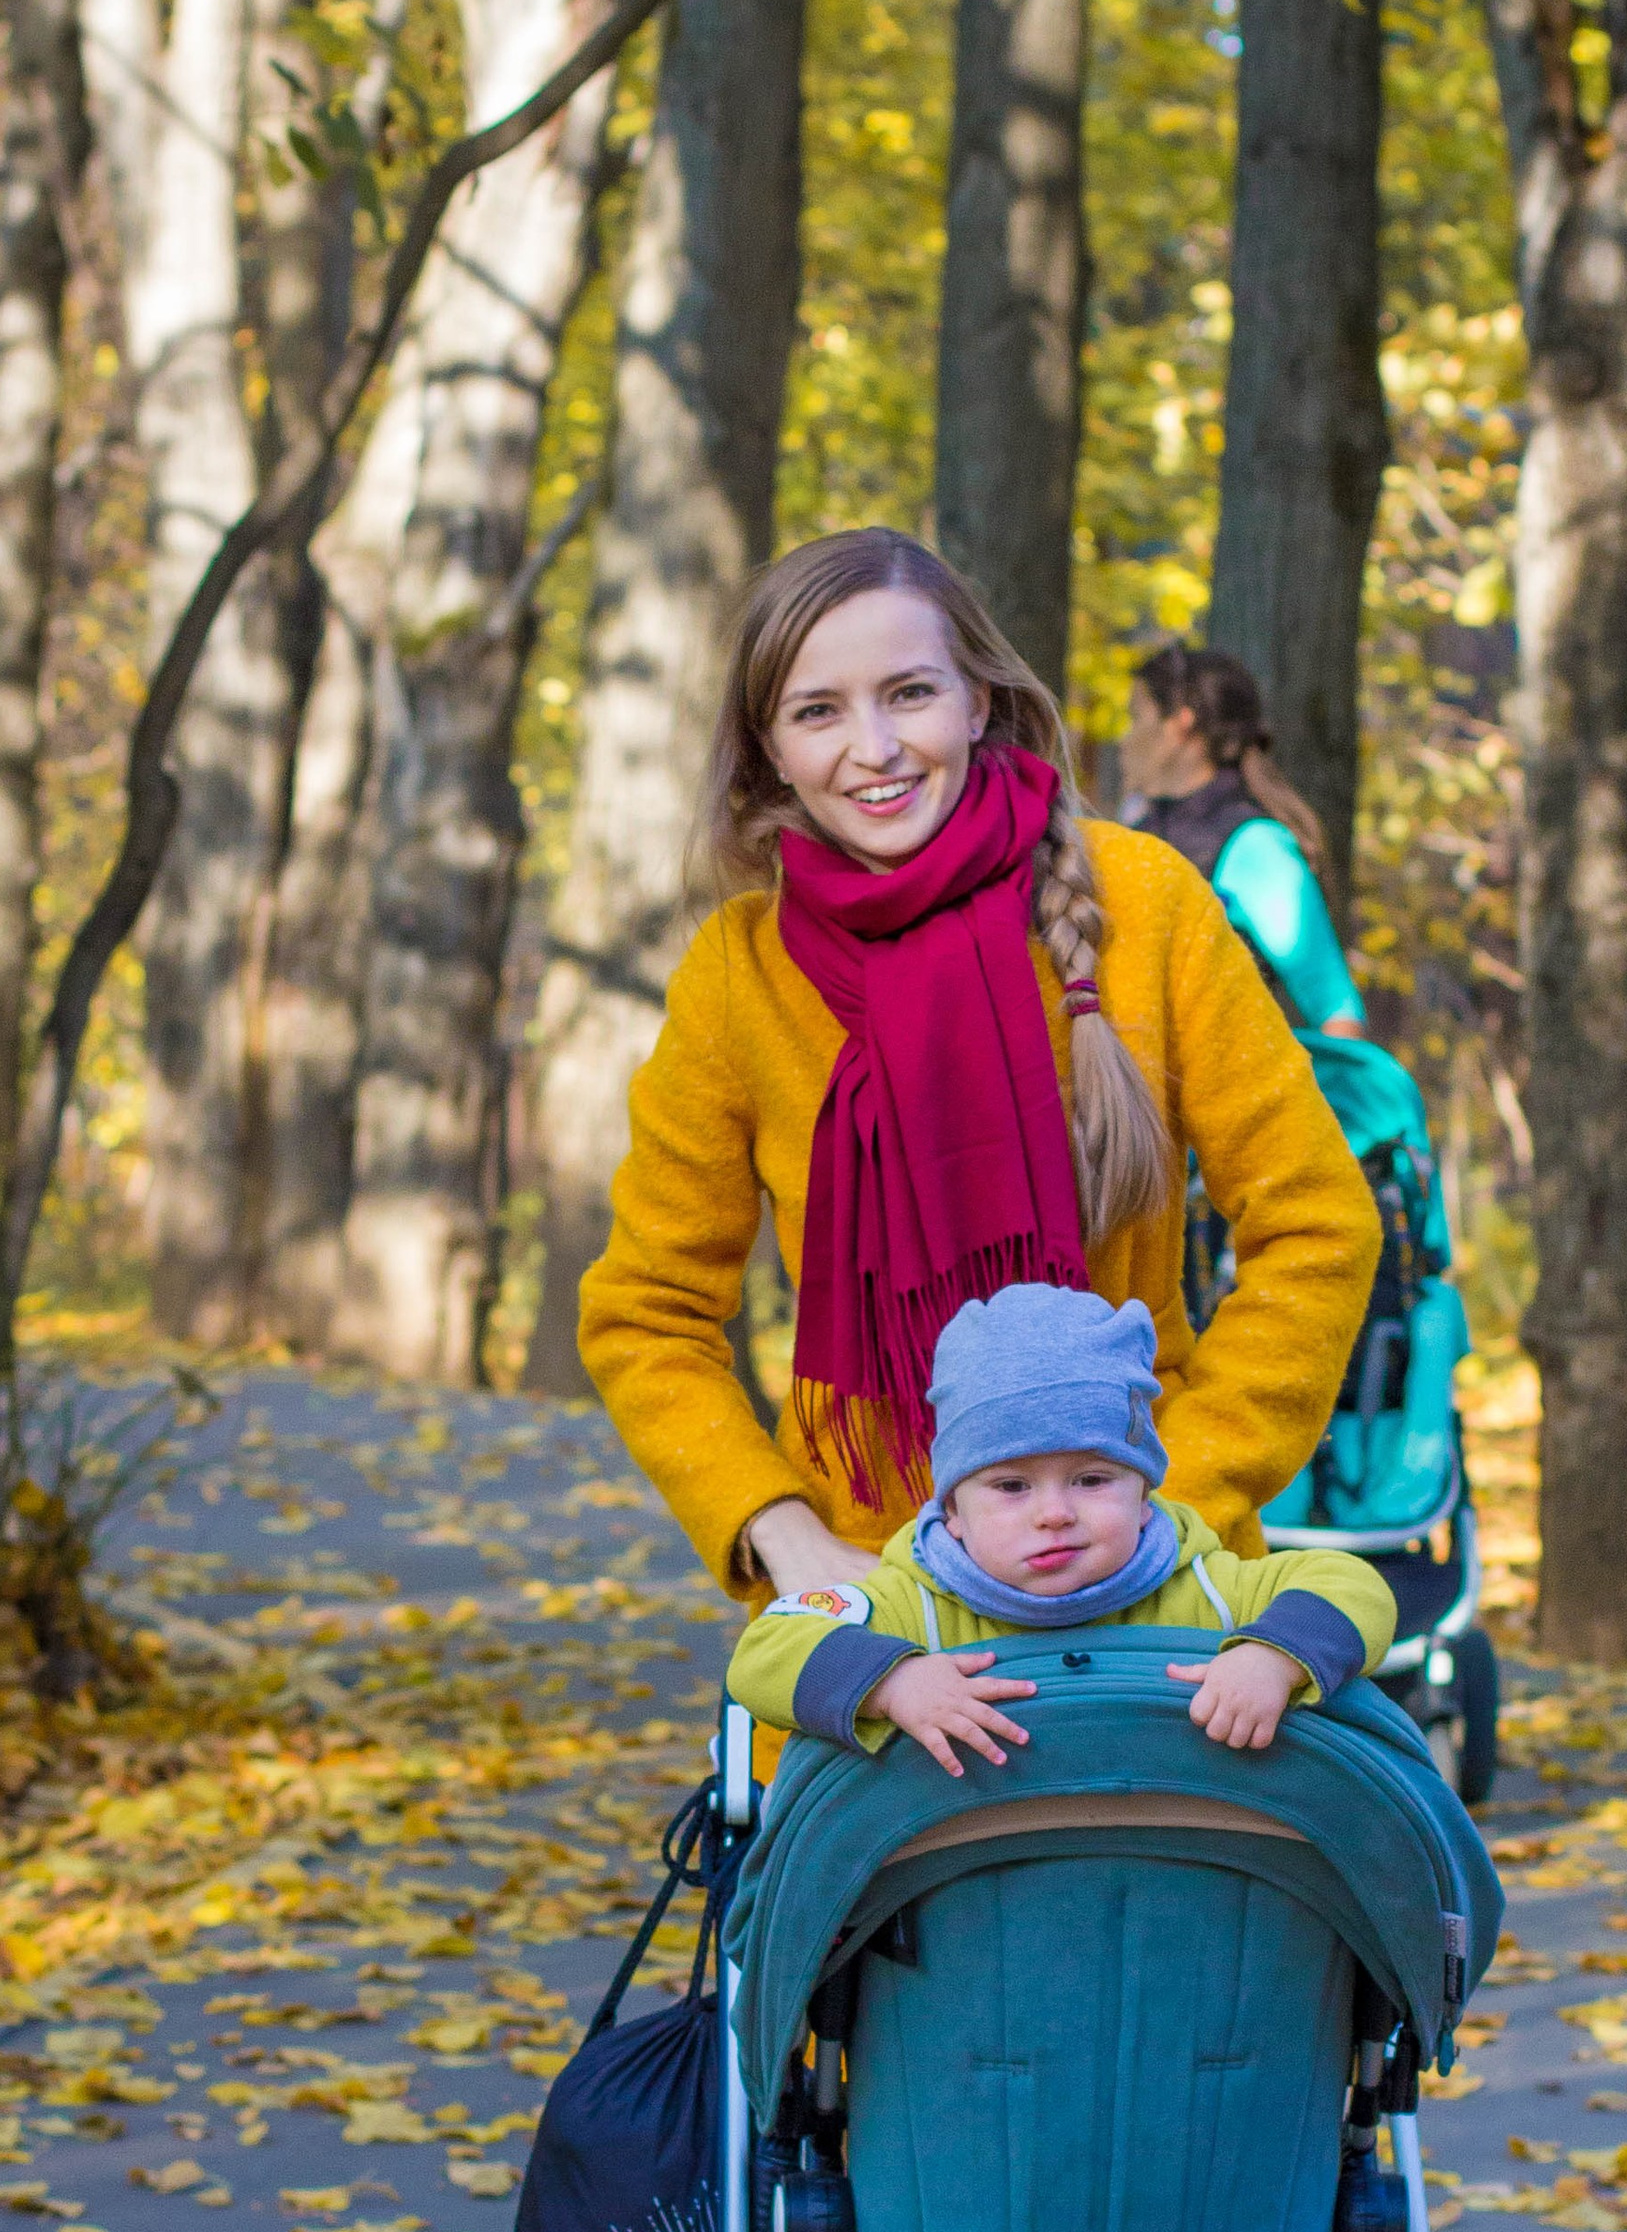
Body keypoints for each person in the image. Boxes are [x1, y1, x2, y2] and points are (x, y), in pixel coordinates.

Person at [576, 530, 1380, 1612]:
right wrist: (780, 1532)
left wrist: (1168, 1494)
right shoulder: (739, 977)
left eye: (908, 693)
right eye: (818, 711)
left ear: (979, 703)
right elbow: (646, 1311)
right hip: (880, 1606)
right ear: (767, 747)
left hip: (1160, 1595)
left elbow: (1320, 1223)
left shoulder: (1144, 904)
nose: (873, 749)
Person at [726, 1284, 1394, 1775]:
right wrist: (892, 1682)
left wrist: (1271, 1656)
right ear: (952, 1511)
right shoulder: (910, 1608)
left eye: (1092, 1480)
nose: (1054, 1513)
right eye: (1011, 1487)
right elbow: (766, 1654)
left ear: (1144, 1492)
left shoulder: (1209, 1590)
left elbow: (1350, 1584)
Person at [1121, 643, 1369, 1039]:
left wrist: (1327, 1100)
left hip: (1217, 1094)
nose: (1126, 738)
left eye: (1136, 718)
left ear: (1180, 725)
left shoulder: (1254, 845)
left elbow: (1336, 1009)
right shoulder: (1139, 834)